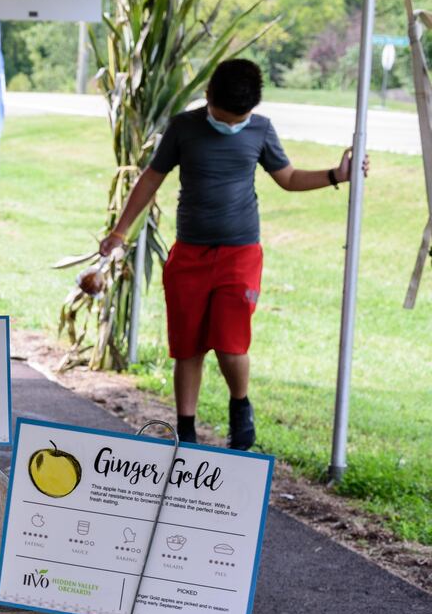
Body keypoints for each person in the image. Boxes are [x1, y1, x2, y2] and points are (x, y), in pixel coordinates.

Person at [99, 59, 367, 450]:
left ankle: (240, 406)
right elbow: (151, 179)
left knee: (230, 342)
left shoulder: (260, 129)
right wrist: (120, 231)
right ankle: (186, 430)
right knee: (187, 346)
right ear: (207, 98)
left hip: (240, 255)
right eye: (223, 119)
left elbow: (288, 178)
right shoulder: (184, 127)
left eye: (238, 120)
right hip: (189, 255)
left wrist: (334, 175)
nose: (231, 127)